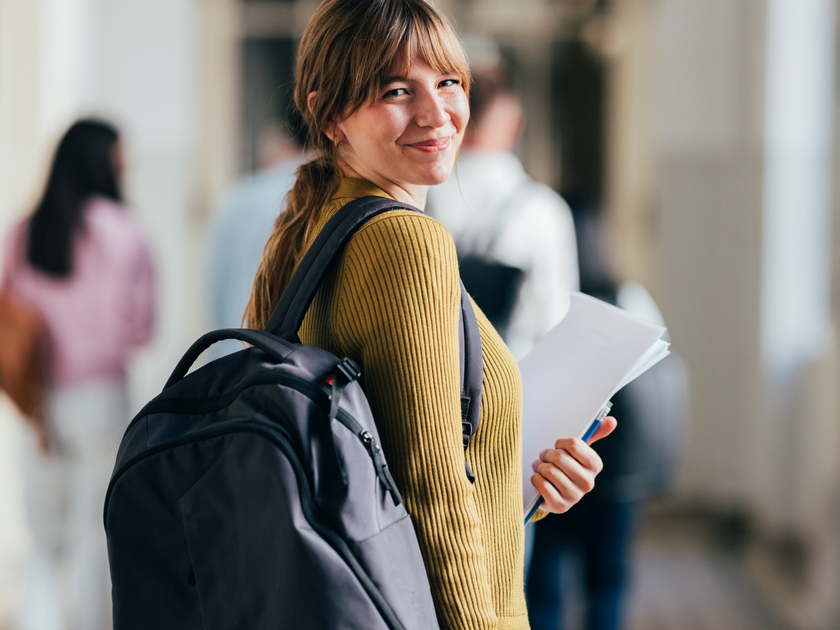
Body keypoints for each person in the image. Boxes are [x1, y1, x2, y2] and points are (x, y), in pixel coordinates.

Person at [244, 1, 615, 627]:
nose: (436, 112)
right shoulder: (405, 241)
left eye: (448, 81)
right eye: (396, 90)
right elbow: (430, 493)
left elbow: (382, 470)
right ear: (330, 114)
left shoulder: (312, 225)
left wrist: (527, 483)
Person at [0, 119, 155, 630]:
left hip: (38, 399)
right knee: (95, 528)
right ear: (104, 163)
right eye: (121, 158)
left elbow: (8, 311)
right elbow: (137, 331)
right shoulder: (121, 230)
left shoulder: (25, 230)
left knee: (43, 537)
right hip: (99, 398)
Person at [525, 198, 689, 630]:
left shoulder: (545, 301)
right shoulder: (629, 297)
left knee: (543, 583)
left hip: (550, 457)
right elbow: (659, 374)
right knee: (607, 581)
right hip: (618, 473)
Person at [425, 56, 579, 360]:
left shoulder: (416, 196)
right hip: (514, 391)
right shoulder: (542, 210)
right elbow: (555, 326)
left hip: (428, 383)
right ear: (515, 123)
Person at [209, 121, 307, 332]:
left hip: (234, 342)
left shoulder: (237, 195)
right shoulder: (320, 195)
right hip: (294, 354)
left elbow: (217, 286)